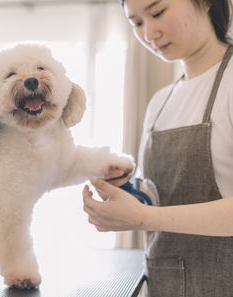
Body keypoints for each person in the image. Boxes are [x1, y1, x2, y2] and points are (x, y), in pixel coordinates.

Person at [82, 0, 233, 296]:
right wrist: (128, 190)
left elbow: (152, 216)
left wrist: (142, 218)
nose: (149, 33)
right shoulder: (160, 102)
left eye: (157, 12)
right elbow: (162, 195)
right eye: (137, 23)